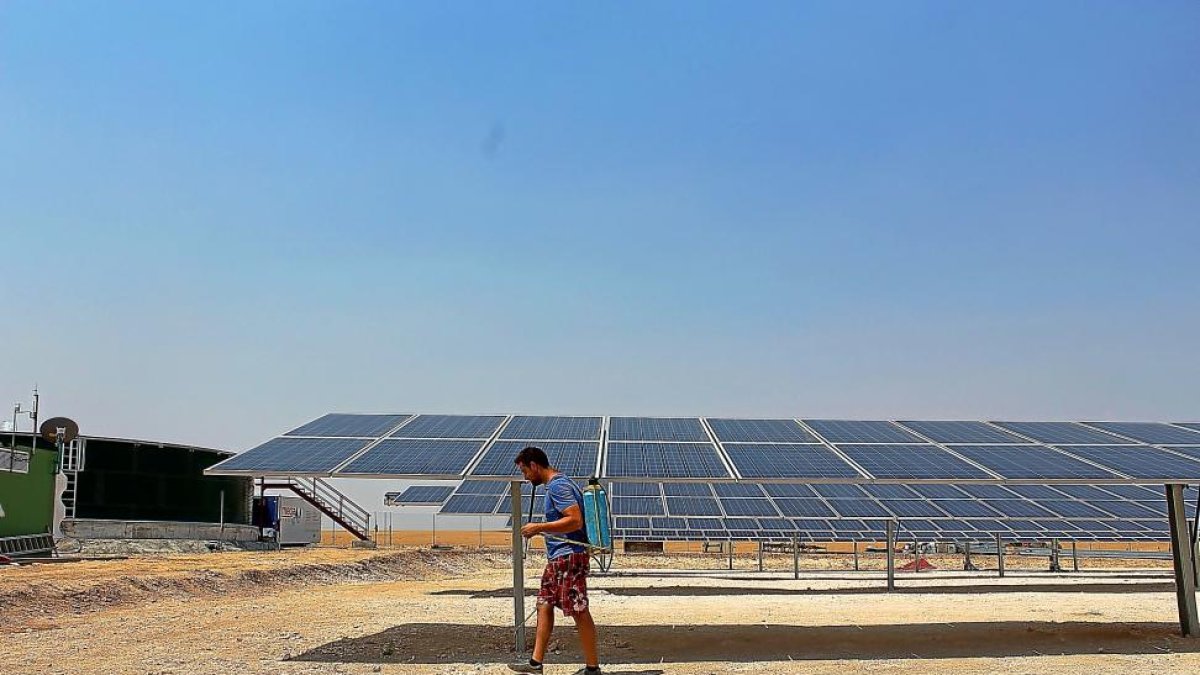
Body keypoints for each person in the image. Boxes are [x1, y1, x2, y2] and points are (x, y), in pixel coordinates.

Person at [508, 446, 602, 675]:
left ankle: (593, 669)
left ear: (534, 465)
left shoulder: (559, 486)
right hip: (558, 558)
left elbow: (575, 520)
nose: (525, 477)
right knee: (544, 604)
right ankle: (535, 663)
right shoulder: (558, 484)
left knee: (578, 609)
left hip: (568, 556)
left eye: (525, 471)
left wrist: (539, 527)